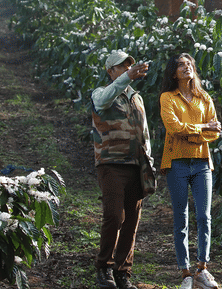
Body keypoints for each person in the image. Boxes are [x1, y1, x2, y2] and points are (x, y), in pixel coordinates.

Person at [91, 50, 154, 289]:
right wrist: (127, 77)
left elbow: (145, 132)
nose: (128, 69)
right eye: (122, 66)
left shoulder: (136, 98)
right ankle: (104, 267)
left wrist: (149, 161)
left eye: (130, 65)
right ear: (110, 71)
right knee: (114, 216)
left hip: (136, 165)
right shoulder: (101, 93)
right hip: (111, 164)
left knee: (132, 221)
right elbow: (103, 101)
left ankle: (122, 272)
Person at [160, 53, 222, 289]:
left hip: (201, 162)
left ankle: (202, 269)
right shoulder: (167, 97)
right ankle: (185, 272)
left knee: (204, 217)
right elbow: (173, 127)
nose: (186, 67)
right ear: (173, 73)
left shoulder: (203, 97)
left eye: (189, 64)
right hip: (176, 162)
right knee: (181, 217)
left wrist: (193, 133)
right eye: (180, 65)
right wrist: (202, 127)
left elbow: (215, 132)